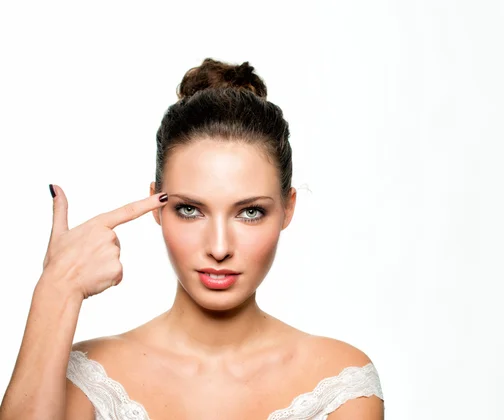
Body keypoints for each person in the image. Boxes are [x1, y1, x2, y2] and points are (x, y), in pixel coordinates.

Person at [0, 58, 384, 419]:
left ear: (288, 208)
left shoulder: (341, 384)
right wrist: (56, 289)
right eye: (190, 210)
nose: (219, 248)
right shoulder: (86, 379)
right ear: (156, 205)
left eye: (250, 212)